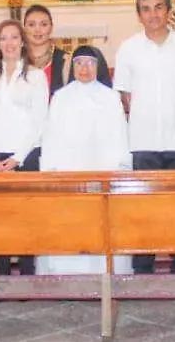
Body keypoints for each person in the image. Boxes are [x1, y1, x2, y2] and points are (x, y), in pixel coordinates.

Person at [113, 0, 175, 274]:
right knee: (143, 210)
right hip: (142, 141)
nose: (152, 14)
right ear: (138, 15)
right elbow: (125, 98)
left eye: (158, 7)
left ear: (168, 10)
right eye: (146, 9)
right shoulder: (128, 48)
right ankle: (143, 268)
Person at [37, 45, 132, 275]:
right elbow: (50, 136)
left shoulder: (110, 98)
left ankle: (106, 274)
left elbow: (120, 135)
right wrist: (50, 170)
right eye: (79, 63)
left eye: (90, 63)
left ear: (98, 66)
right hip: (69, 173)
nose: (84, 68)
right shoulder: (61, 97)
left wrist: (119, 169)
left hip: (103, 171)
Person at [0, 19, 49, 276]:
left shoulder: (35, 76)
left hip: (25, 155)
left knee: (26, 217)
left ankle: (28, 273)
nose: (9, 43)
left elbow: (40, 120)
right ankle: (3, 273)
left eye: (14, 37)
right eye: (4, 38)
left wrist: (18, 157)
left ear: (22, 42)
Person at [24, 4, 68, 97]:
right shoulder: (16, 59)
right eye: (31, 25)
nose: (37, 30)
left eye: (44, 24)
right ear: (24, 28)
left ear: (51, 28)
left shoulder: (65, 60)